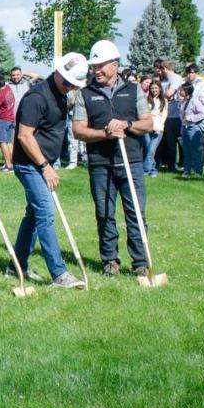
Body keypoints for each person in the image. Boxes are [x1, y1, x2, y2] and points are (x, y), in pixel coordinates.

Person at [73, 41, 152, 278]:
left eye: (100, 65)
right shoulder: (84, 94)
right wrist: (103, 133)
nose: (96, 70)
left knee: (136, 212)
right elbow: (78, 130)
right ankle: (109, 259)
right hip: (100, 164)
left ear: (115, 65)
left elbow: (148, 123)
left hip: (131, 161)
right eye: (93, 66)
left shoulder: (133, 90)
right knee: (105, 212)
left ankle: (140, 261)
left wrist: (127, 125)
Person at [11, 53, 89, 289]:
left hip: (44, 163)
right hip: (30, 164)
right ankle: (59, 273)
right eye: (66, 81)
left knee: (34, 215)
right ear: (56, 72)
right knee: (45, 212)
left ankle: (16, 266)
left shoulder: (61, 95)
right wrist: (45, 167)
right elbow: (25, 135)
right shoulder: (37, 97)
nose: (69, 86)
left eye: (73, 84)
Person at [155, 59, 183, 172]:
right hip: (166, 115)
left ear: (165, 69)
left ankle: (175, 165)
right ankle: (167, 164)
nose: (159, 72)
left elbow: (169, 93)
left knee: (174, 142)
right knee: (166, 142)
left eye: (160, 69)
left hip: (175, 115)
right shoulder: (164, 80)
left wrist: (160, 96)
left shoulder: (175, 78)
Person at [179, 80, 204, 177]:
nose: (180, 92)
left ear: (187, 91)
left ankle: (198, 171)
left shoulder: (195, 100)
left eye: (182, 90)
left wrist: (191, 118)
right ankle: (187, 170)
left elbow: (203, 113)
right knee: (186, 150)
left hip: (193, 128)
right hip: (185, 128)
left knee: (195, 150)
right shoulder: (184, 101)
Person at [0, 73, 16, 171]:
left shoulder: (0, 94)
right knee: (9, 142)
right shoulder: (9, 89)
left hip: (3, 120)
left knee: (2, 142)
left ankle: (8, 166)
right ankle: (12, 164)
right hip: (11, 119)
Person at [143, 81, 167, 177]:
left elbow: (164, 115)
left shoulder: (163, 100)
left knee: (152, 150)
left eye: (156, 88)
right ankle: (153, 170)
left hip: (158, 129)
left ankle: (145, 170)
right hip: (147, 128)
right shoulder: (146, 100)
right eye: (152, 88)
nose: (154, 90)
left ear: (160, 89)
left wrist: (159, 126)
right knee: (148, 149)